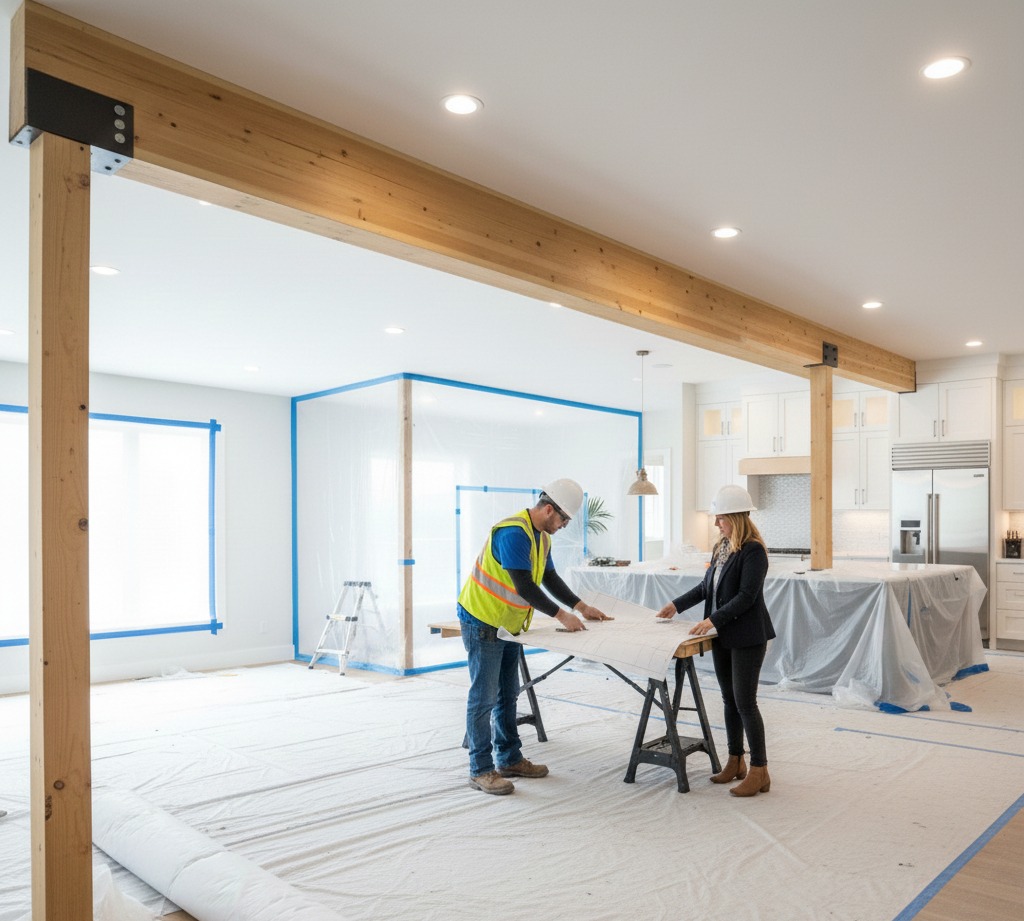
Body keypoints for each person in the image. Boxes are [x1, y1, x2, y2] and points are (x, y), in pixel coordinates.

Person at [457, 478, 611, 795]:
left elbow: (549, 577)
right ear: (549, 509)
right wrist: (561, 615)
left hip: (508, 625)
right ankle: (480, 770)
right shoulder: (514, 533)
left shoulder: (540, 537)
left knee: (507, 695)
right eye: (564, 519)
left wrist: (581, 607)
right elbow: (525, 586)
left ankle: (509, 759)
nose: (564, 526)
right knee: (484, 698)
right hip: (483, 620)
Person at [656, 484, 775, 797]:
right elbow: (705, 587)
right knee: (729, 700)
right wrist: (676, 605)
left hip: (747, 636)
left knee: (745, 702)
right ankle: (736, 761)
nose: (715, 523)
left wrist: (711, 620)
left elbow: (747, 596)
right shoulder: (722, 548)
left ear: (735, 517)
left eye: (720, 518)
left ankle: (760, 770)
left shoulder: (753, 551)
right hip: (722, 634)